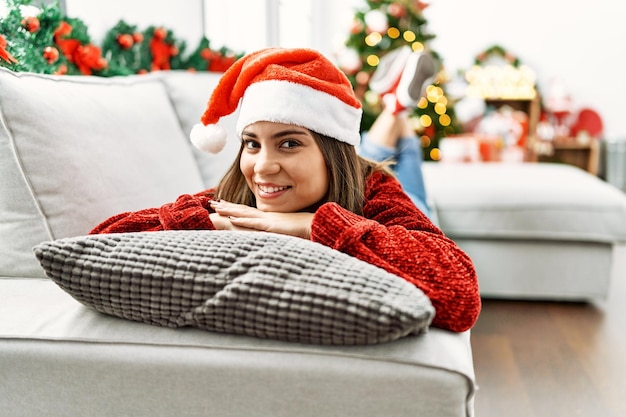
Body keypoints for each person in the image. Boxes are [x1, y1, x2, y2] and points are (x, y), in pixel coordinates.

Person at [90, 47, 481, 333]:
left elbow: (460, 293)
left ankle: (397, 112)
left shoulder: (374, 189)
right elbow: (99, 243)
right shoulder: (236, 198)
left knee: (400, 171)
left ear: (330, 152)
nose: (261, 167)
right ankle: (397, 111)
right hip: (359, 170)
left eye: (289, 143)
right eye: (251, 143)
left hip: (386, 189)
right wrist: (213, 225)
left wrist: (313, 225)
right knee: (400, 145)